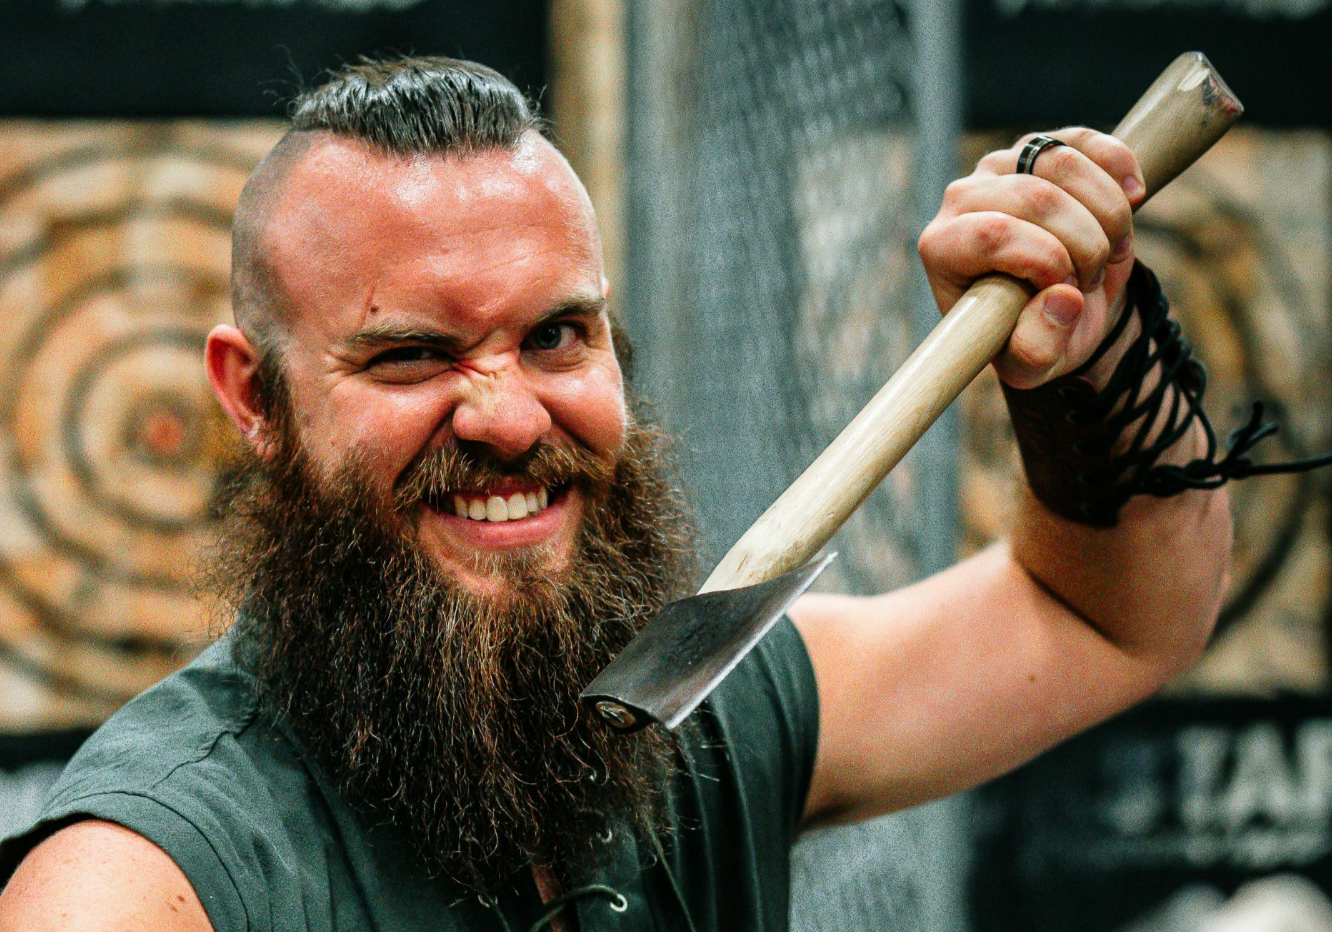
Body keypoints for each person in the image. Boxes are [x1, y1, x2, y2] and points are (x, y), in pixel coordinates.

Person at [0, 57, 1230, 931]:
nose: (509, 416)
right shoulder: (149, 878)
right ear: (254, 398)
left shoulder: (697, 707)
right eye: (411, 354)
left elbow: (1109, 619)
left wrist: (1089, 359)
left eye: (556, 335)